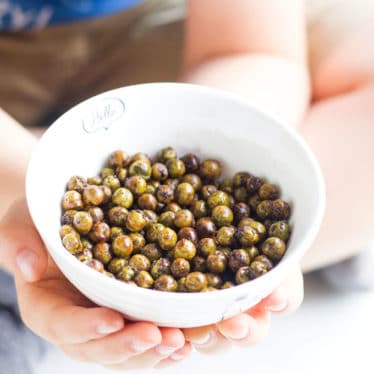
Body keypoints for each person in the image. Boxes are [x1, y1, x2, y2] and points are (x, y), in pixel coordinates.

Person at [0, 0, 373, 372]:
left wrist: (238, 142)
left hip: (160, 27)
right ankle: (25, 265)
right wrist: (33, 192)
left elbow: (247, 50)